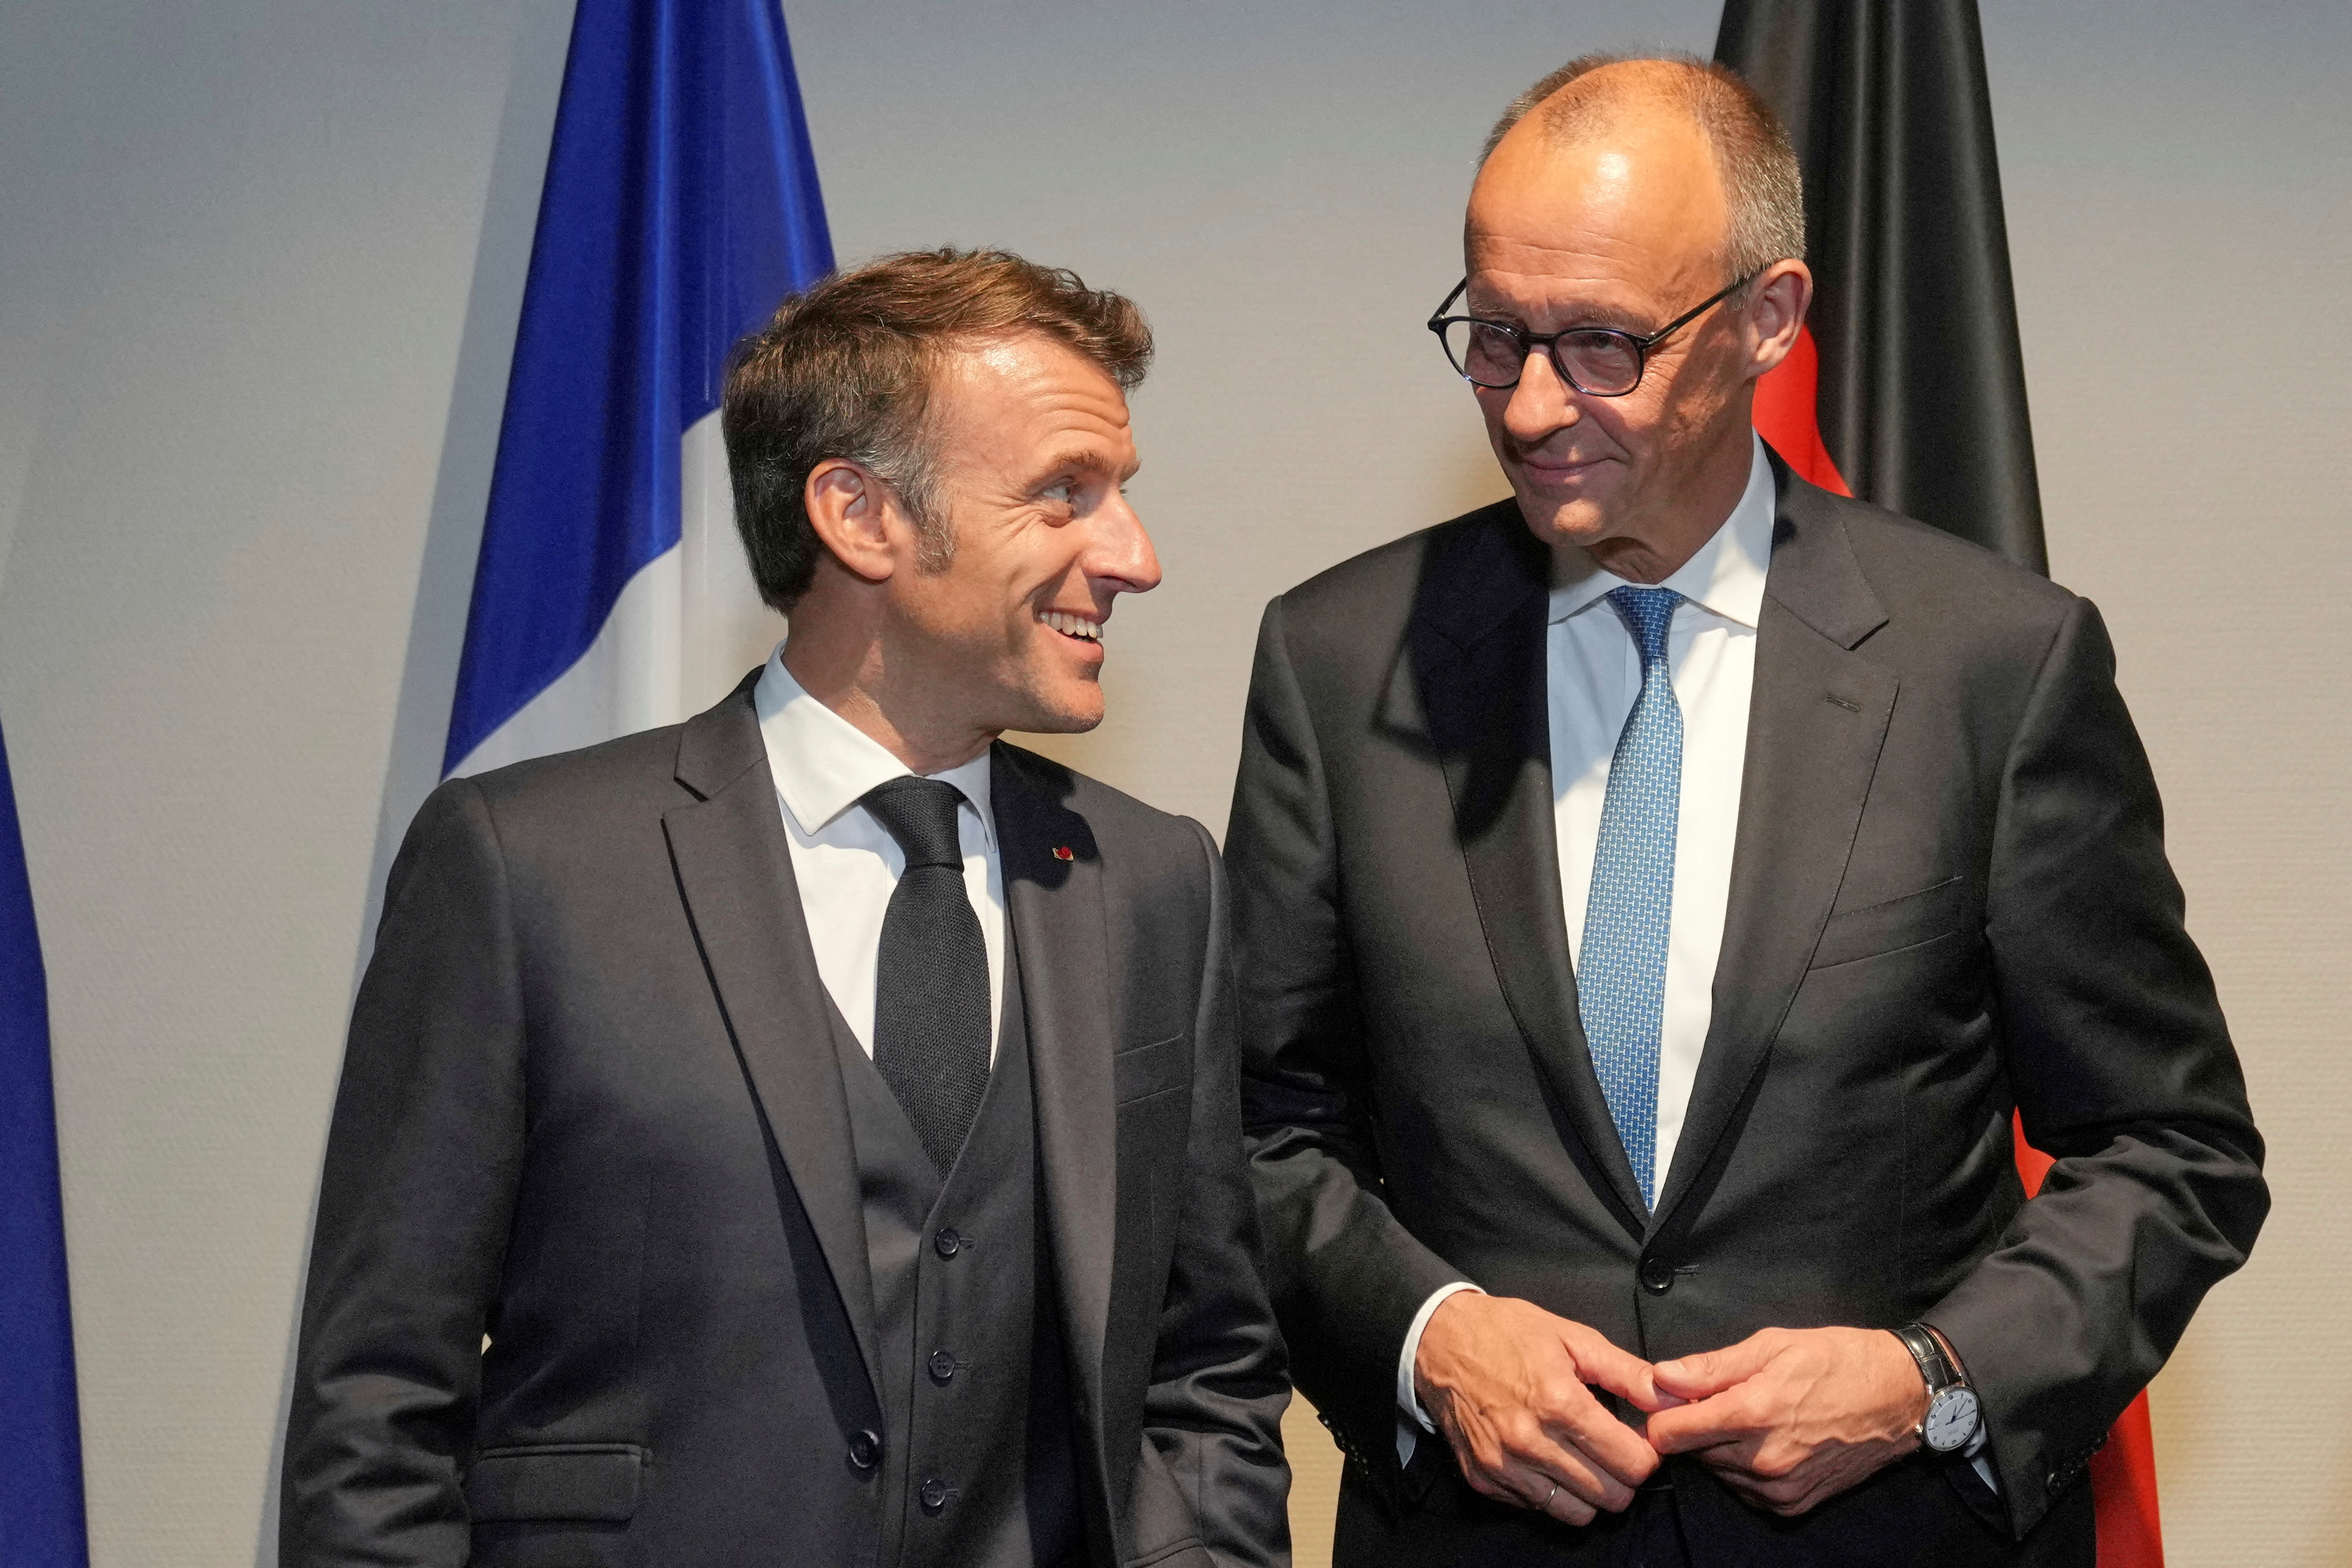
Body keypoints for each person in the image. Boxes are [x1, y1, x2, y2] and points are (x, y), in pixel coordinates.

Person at [1227, 56, 2264, 1567]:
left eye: (1599, 346)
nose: (1527, 403)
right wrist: (1429, 1337)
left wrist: (1932, 1378)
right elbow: (1256, 1127)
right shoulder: (1340, 663)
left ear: (1769, 319)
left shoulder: (1993, 661)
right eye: (1494, 333)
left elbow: (2172, 1146)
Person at [283, 249, 1290, 1568]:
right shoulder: (521, 866)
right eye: (1065, 493)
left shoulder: (1155, 885)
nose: (1136, 556)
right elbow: (377, 1408)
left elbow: (1207, 1363)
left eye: (1122, 496)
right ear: (859, 515)